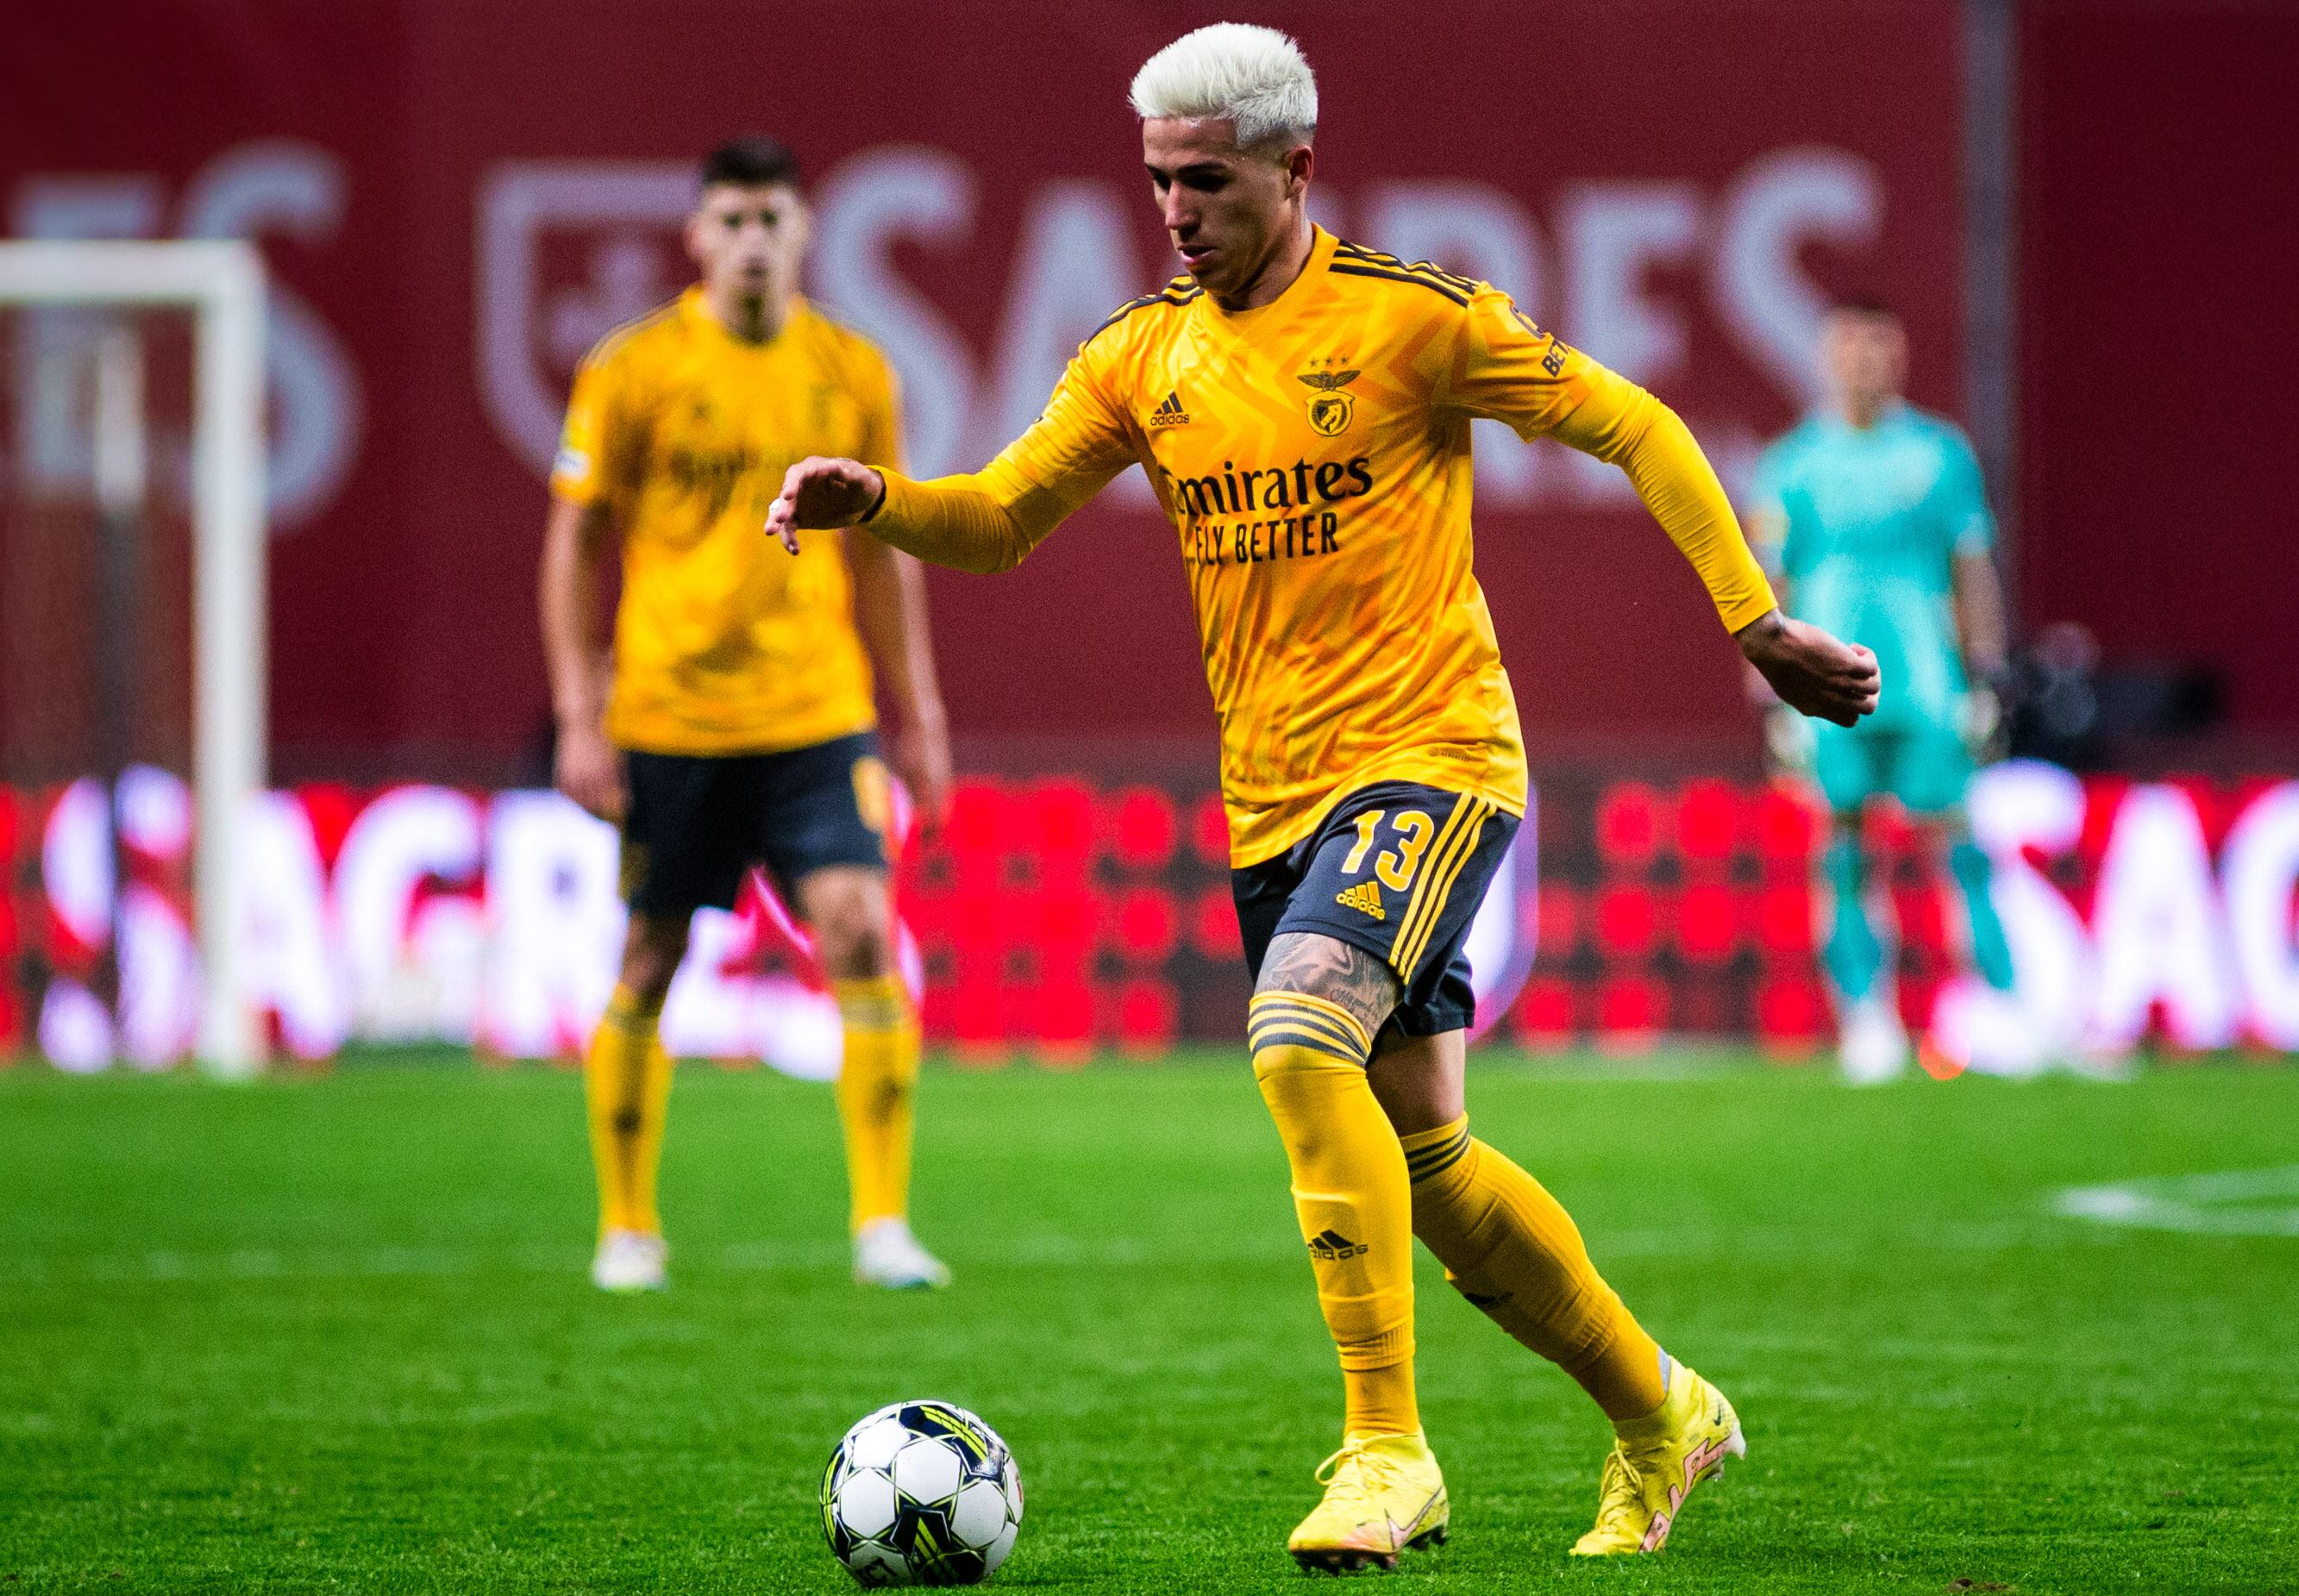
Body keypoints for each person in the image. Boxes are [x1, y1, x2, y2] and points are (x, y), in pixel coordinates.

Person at [765, 25, 1878, 1568]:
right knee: (1426, 1164)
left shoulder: (1414, 322)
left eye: (1204, 181)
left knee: (1295, 1037)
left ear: (1295, 170)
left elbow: (1634, 422)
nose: (1172, 211)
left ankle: (1382, 1449)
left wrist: (1752, 624)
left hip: (1431, 757)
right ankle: (1660, 1410)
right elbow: (1003, 518)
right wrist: (879, 500)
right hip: (1275, 800)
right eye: (1157, 181)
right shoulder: (1139, 356)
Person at [540, 136, 955, 1294]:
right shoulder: (632, 368)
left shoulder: (852, 368)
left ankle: (882, 1222)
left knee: (863, 928)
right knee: (653, 950)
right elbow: (574, 539)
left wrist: (916, 712)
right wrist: (581, 708)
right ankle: (627, 1226)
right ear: (696, 236)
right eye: (732, 220)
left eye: (772, 218)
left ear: (803, 232)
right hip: (670, 712)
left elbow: (886, 549)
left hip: (816, 708)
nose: (753, 240)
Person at [1748, 298, 2014, 1084]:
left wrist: (1986, 672)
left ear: (1896, 357)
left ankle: (1996, 1011)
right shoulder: (1792, 463)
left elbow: (1971, 569)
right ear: (1828, 358)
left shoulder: (1939, 455)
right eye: (1848, 348)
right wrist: (1768, 694)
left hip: (1927, 683)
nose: (1862, 363)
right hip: (1827, 688)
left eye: (1876, 348)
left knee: (1956, 845)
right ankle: (1866, 1021)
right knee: (1842, 853)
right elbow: (1768, 582)